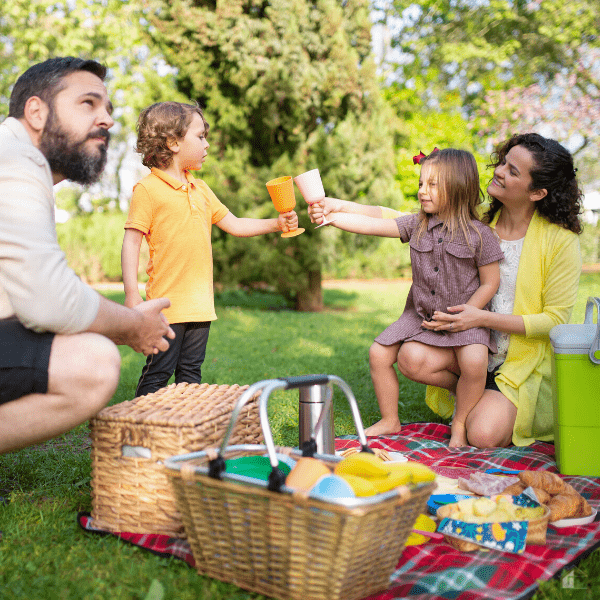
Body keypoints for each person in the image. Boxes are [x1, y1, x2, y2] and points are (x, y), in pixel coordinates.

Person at [309, 134, 583, 448]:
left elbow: (554, 322)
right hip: (464, 344)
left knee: (482, 435)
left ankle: (482, 405)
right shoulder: (477, 222)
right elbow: (403, 221)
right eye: (505, 162)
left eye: (513, 171)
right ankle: (470, 393)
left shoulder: (560, 241)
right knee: (410, 358)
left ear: (537, 192)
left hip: (517, 363)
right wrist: (341, 207)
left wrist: (479, 318)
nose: (499, 171)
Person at [0, 58, 175, 455]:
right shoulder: (17, 161)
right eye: (88, 103)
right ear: (36, 112)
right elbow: (49, 302)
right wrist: (132, 326)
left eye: (109, 109)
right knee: (91, 364)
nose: (107, 120)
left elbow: (32, 292)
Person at [314, 149, 504, 447]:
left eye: (432, 184)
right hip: (420, 315)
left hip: (466, 317)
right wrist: (333, 218)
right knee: (379, 354)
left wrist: (468, 314)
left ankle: (459, 424)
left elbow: (491, 281)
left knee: (475, 361)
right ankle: (390, 420)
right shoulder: (417, 224)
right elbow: (375, 224)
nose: (421, 191)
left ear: (458, 187)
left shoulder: (480, 234)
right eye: (420, 183)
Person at [121, 102, 299, 397]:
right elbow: (131, 241)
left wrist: (276, 223)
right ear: (173, 142)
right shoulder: (148, 189)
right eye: (200, 137)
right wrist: (131, 293)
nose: (206, 144)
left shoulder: (201, 188)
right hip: (167, 306)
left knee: (191, 375)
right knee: (159, 372)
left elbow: (236, 224)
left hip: (200, 304)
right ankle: (139, 432)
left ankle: (187, 432)